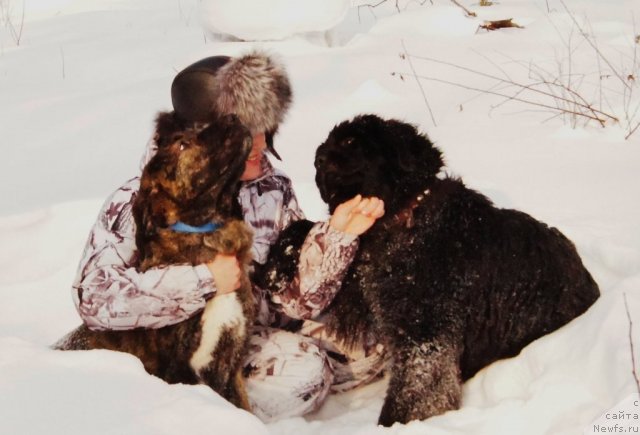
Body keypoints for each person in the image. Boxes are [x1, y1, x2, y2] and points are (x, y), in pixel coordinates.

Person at [71, 51, 386, 421]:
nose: (258, 145)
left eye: (263, 128)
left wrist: (336, 238)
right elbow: (93, 298)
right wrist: (205, 281)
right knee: (305, 373)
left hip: (247, 331)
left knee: (371, 345)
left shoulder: (272, 188)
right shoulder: (144, 198)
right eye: (244, 133)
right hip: (169, 346)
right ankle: (192, 414)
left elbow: (291, 297)